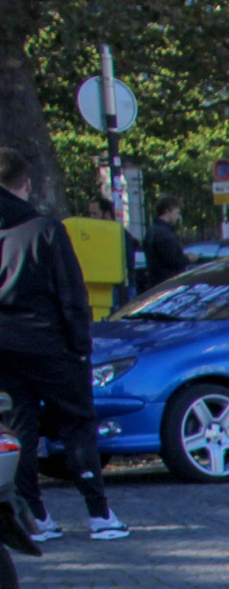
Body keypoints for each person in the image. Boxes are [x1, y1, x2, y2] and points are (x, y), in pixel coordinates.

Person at [0, 151, 126, 539]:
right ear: (26, 183)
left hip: (5, 346)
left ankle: (35, 515)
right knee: (77, 424)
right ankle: (99, 514)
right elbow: (72, 295)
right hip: (52, 343)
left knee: (19, 428)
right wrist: (79, 344)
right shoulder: (46, 229)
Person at [142, 197, 187, 293]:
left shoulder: (152, 230)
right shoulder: (164, 233)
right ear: (167, 211)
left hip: (156, 283)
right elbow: (173, 260)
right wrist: (188, 258)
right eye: (177, 213)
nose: (178, 217)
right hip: (168, 283)